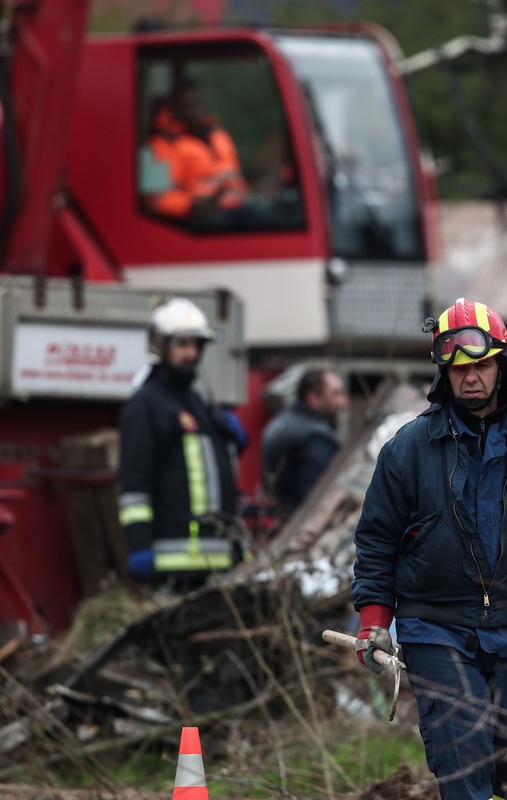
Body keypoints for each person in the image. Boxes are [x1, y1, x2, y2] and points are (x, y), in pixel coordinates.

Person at [352, 298, 507, 800]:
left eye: (482, 365)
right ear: (443, 374)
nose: (471, 378)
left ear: (502, 365)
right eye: (459, 369)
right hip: (436, 627)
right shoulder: (407, 449)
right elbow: (377, 540)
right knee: (463, 761)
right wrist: (374, 622)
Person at [118, 298, 243, 589]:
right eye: (182, 345)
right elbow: (134, 483)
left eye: (196, 346)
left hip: (217, 562)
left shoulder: (196, 402)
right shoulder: (145, 404)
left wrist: (227, 440)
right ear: (160, 346)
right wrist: (139, 545)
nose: (191, 354)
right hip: (172, 564)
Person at [147, 80, 251, 229]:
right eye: (187, 104)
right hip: (198, 220)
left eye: (197, 103)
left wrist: (241, 192)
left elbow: (236, 176)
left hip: (238, 206)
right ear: (175, 109)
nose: (194, 110)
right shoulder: (163, 145)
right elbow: (156, 201)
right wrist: (194, 206)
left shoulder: (218, 135)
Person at [260, 368, 348, 516]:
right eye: (335, 394)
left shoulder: (280, 422)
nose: (343, 402)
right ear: (313, 398)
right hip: (299, 523)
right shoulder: (316, 436)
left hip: (281, 520)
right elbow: (317, 498)